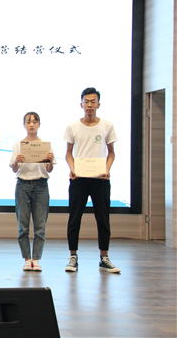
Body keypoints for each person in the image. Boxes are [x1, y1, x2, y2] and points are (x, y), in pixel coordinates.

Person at [64, 87, 120, 273]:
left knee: (103, 219)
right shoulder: (73, 126)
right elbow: (68, 153)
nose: (89, 105)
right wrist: (72, 168)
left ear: (98, 104)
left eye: (93, 101)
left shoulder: (107, 126)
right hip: (79, 179)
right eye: (86, 101)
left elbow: (111, 153)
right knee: (74, 218)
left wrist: (107, 169)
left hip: (100, 179)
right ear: (81, 104)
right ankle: (73, 257)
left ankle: (104, 257)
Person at [9, 112, 55, 272]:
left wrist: (50, 161)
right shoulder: (19, 145)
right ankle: (27, 259)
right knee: (23, 226)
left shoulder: (45, 145)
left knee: (40, 226)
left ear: (39, 124)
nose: (31, 125)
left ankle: (36, 259)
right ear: (24, 125)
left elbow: (49, 169)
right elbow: (14, 168)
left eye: (35, 122)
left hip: (41, 185)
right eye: (28, 122)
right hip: (23, 184)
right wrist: (17, 160)